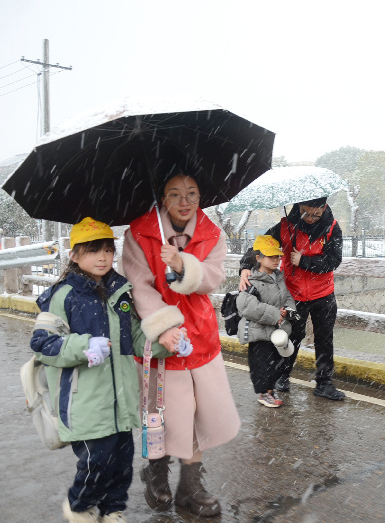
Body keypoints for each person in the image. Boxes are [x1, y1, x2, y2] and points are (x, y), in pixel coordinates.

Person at [30, 217, 170, 523]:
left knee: (121, 463)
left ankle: (112, 510)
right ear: (75, 255)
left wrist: (164, 343)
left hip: (120, 399)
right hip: (85, 401)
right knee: (97, 461)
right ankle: (80, 507)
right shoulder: (62, 296)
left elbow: (134, 339)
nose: (103, 257)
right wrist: (84, 346)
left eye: (108, 249)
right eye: (94, 250)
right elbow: (43, 343)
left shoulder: (120, 293)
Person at [122, 174, 241, 517]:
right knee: (161, 415)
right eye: (174, 194)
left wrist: (181, 264)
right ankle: (156, 473)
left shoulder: (211, 233)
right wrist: (165, 327)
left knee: (196, 414)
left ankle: (191, 485)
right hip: (160, 340)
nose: (184, 201)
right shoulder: (138, 233)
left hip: (200, 338)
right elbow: (139, 285)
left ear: (201, 196)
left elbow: (214, 277)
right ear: (162, 198)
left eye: (191, 193)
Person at [238, 196, 345, 401]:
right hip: (294, 294)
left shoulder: (332, 228)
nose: (311, 218)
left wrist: (303, 260)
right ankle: (283, 376)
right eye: (306, 213)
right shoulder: (285, 226)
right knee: (292, 335)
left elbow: (333, 260)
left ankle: (324, 382)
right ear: (298, 206)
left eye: (316, 214)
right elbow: (259, 248)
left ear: (324, 208)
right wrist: (245, 266)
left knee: (325, 338)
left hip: (323, 294)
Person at [236, 235, 298, 408]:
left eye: (277, 256)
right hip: (258, 331)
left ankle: (270, 390)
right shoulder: (251, 280)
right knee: (262, 364)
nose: (276, 260)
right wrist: (274, 314)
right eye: (271, 256)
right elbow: (246, 305)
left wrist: (289, 310)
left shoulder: (279, 278)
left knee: (277, 363)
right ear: (258, 258)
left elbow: (287, 298)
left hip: (275, 331)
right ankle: (265, 393)